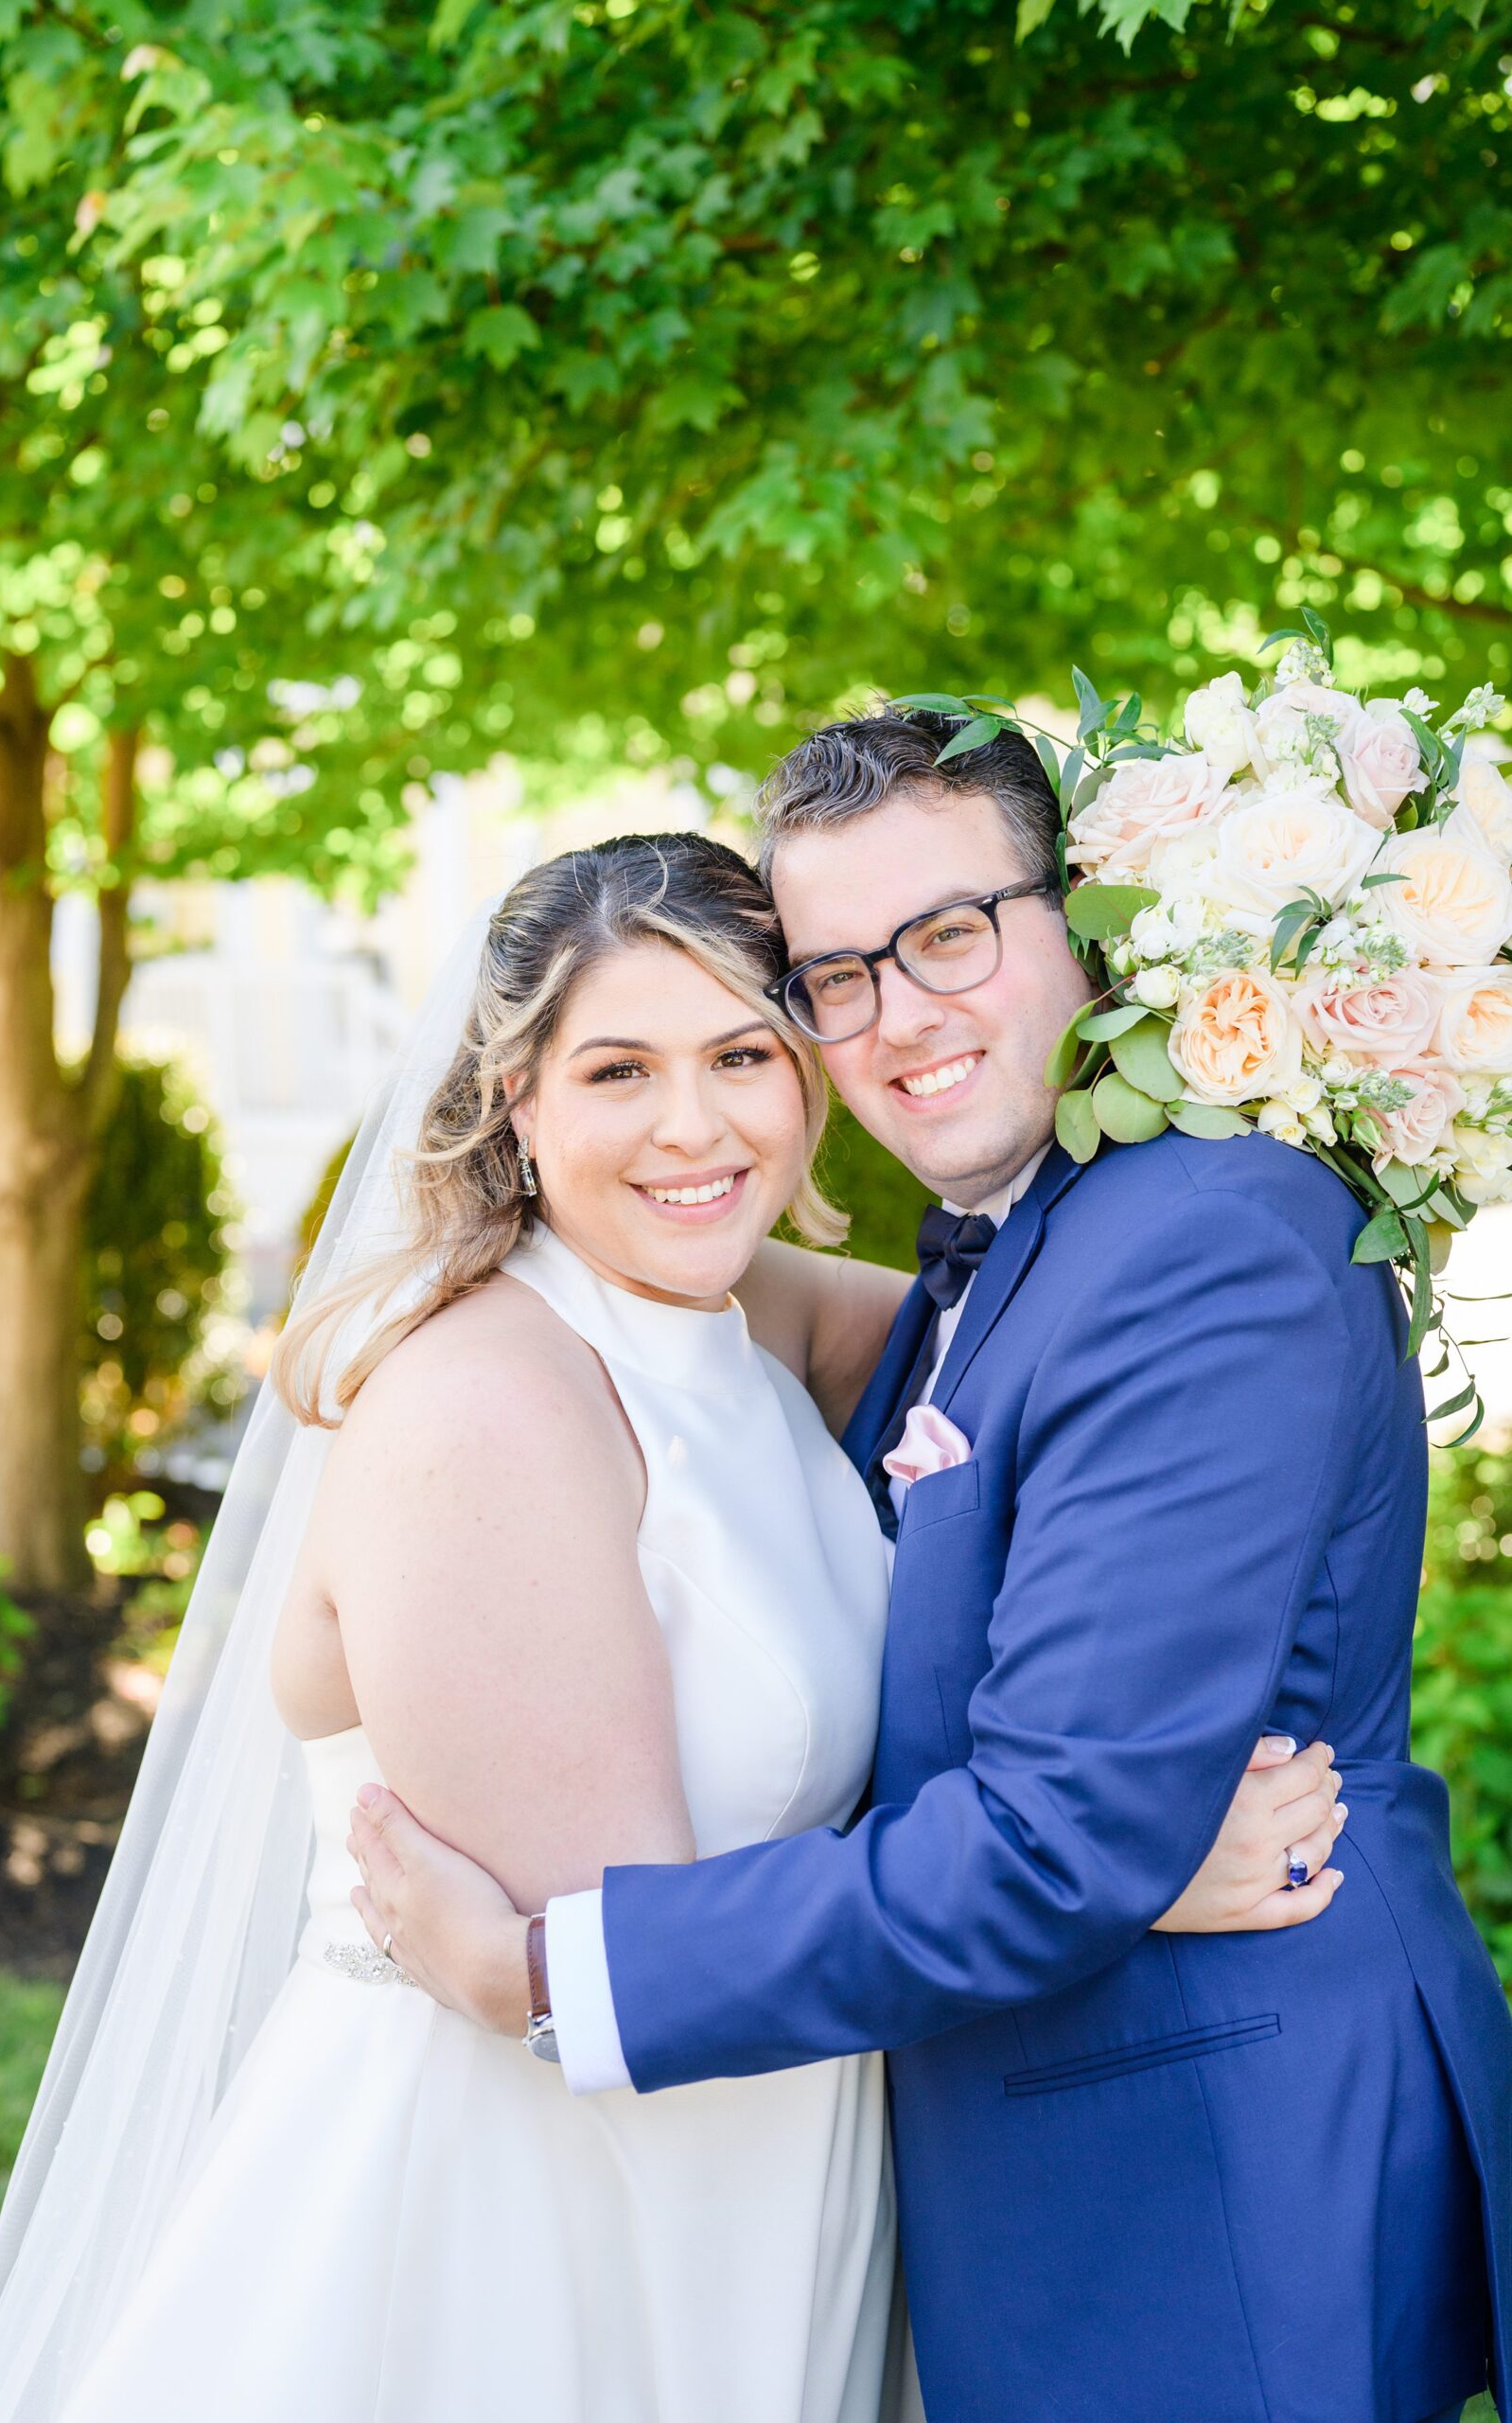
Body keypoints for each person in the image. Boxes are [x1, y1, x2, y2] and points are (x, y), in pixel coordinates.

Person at [0, 830, 1337, 2423]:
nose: (695, 1125)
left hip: (764, 2168)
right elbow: (631, 1953)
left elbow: (1059, 1349)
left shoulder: (741, 1318)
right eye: (617, 1070)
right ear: (513, 1102)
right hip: (544, 2213)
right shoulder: (489, 1402)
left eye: (744, 1051)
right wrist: (1103, 1860)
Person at [349, 727, 1512, 2423]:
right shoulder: (1003, 1254)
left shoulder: (1202, 1243)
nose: (899, 1014)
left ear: (1082, 924)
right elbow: (1042, 1793)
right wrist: (1139, 1860)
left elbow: (1054, 1835)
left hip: (1205, 2188)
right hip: (1036, 2157)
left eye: (949, 935)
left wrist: (543, 1974)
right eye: (834, 975)